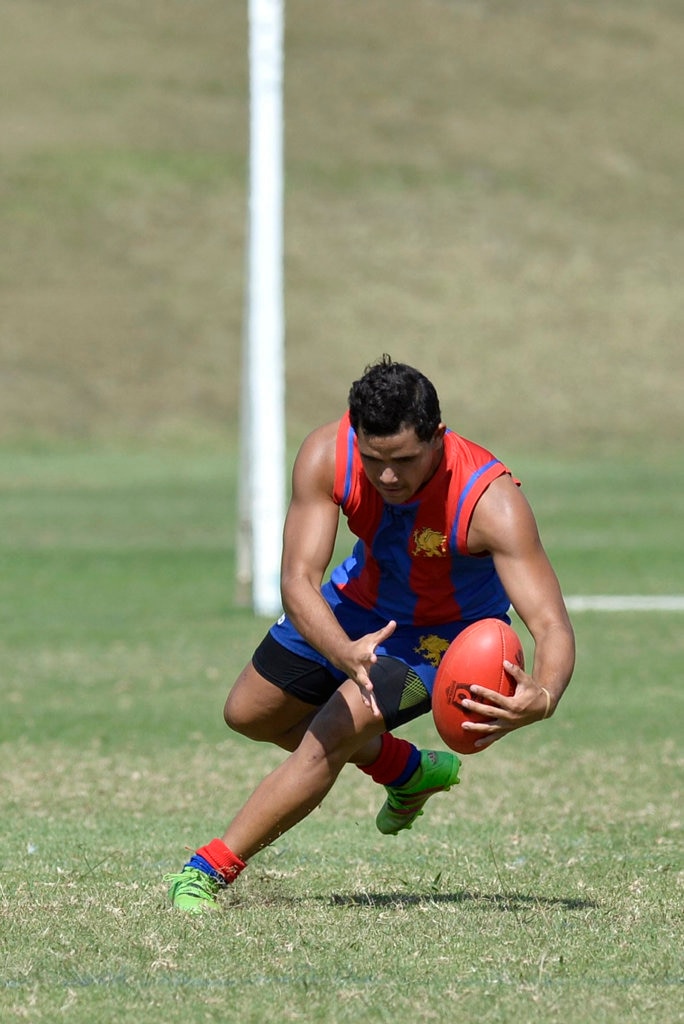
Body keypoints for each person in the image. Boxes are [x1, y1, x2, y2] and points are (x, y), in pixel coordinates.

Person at [165, 355, 575, 911]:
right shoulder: (327, 453)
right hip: (354, 607)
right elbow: (297, 580)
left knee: (330, 734)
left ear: (436, 436)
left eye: (403, 460)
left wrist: (544, 695)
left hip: (438, 639)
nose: (386, 477)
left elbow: (550, 622)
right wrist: (344, 650)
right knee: (250, 713)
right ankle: (405, 769)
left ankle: (209, 869)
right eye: (374, 458)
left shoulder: (491, 502)